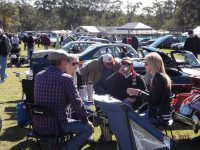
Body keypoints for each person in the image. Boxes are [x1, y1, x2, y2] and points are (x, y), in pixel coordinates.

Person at [33, 50, 94, 150]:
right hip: (56, 125)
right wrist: (86, 120)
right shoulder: (66, 79)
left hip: (38, 123)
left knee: (57, 117)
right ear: (62, 62)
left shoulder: (39, 75)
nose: (67, 63)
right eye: (67, 61)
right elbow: (77, 103)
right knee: (88, 129)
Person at [126, 52, 172, 125]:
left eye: (146, 63)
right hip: (159, 114)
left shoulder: (159, 77)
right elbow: (152, 98)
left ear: (152, 64)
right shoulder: (159, 76)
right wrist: (139, 110)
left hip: (160, 116)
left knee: (129, 120)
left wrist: (139, 92)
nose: (144, 66)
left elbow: (153, 99)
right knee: (130, 118)